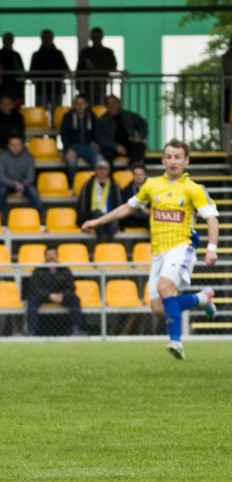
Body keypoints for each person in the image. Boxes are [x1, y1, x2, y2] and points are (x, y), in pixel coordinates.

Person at [82, 139, 219, 359]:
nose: (173, 162)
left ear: (186, 160)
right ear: (163, 160)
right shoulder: (152, 185)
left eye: (178, 157)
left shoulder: (193, 189)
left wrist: (212, 248)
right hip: (158, 253)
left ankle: (176, 342)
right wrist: (98, 222)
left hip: (182, 247)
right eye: (169, 157)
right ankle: (202, 298)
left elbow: (211, 218)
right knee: (158, 309)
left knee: (166, 288)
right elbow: (128, 207)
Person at [26, 246, 86, 336]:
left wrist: (62, 295)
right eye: (48, 255)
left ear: (57, 256)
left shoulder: (64, 270)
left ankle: (76, 328)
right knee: (32, 299)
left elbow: (71, 288)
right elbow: (35, 288)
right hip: (45, 297)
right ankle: (31, 330)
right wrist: (49, 295)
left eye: (53, 254)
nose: (51, 257)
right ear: (45, 257)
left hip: (60, 297)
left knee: (74, 299)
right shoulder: (38, 270)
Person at [0, 135, 43, 220]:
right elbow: (1, 176)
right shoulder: (2, 157)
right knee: (2, 190)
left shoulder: (29, 157)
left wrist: (21, 185)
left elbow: (31, 176)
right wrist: (14, 184)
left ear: (22, 145)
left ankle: (39, 215)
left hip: (25, 184)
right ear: (8, 146)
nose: (15, 147)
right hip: (8, 184)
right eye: (12, 145)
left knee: (32, 190)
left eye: (18, 144)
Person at [61, 94, 103, 186]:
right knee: (71, 161)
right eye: (77, 103)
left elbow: (97, 132)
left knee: (100, 161)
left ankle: (88, 182)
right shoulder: (68, 116)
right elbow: (64, 134)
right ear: (74, 105)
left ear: (86, 104)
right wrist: (68, 149)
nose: (80, 106)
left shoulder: (92, 116)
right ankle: (75, 184)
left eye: (82, 103)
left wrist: (95, 142)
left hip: (88, 146)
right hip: (73, 146)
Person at [95, 95, 148, 168]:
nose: (112, 105)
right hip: (112, 146)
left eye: (114, 103)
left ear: (119, 104)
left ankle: (133, 173)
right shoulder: (102, 120)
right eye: (109, 103)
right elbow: (100, 137)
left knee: (140, 147)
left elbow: (142, 123)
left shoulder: (128, 115)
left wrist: (141, 136)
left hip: (129, 143)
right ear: (106, 106)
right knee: (105, 154)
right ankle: (110, 177)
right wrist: (116, 146)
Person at [76, 160, 122, 242]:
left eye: (104, 169)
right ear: (96, 170)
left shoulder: (114, 185)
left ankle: (103, 242)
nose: (102, 171)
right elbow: (82, 204)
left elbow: (119, 204)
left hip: (110, 215)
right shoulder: (88, 184)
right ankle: (106, 242)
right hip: (93, 216)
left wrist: (120, 225)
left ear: (108, 171)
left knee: (115, 220)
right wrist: (83, 222)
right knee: (97, 213)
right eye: (99, 169)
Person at [29, 29, 69, 110]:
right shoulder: (36, 55)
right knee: (41, 112)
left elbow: (66, 70)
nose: (47, 40)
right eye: (45, 38)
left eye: (48, 37)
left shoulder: (58, 54)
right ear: (42, 39)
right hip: (41, 89)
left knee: (57, 112)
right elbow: (32, 72)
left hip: (56, 88)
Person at [76, 27, 118, 106]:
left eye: (98, 36)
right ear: (91, 38)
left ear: (101, 37)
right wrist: (78, 86)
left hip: (101, 87)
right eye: (94, 36)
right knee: (88, 110)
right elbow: (79, 69)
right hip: (87, 88)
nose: (96, 38)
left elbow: (113, 66)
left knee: (100, 110)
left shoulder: (107, 52)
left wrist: (96, 67)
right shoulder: (85, 52)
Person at [0, 95, 25, 177]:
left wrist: (1, 131)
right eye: (3, 104)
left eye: (8, 104)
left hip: (15, 146)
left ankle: (20, 182)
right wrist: (10, 131)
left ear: (13, 105)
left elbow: (20, 134)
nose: (6, 106)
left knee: (26, 157)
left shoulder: (18, 117)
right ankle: (1, 184)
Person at [0, 32, 25, 98]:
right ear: (3, 41)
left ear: (13, 41)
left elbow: (21, 69)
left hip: (15, 84)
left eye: (10, 39)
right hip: (0, 85)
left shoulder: (16, 55)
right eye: (6, 39)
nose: (8, 41)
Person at [120, 162, 150, 231]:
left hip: (147, 218)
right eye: (136, 174)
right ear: (133, 176)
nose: (138, 177)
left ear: (145, 175)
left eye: (141, 174)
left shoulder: (152, 189)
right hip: (132, 218)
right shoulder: (126, 190)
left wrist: (150, 211)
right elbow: (124, 206)